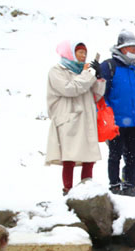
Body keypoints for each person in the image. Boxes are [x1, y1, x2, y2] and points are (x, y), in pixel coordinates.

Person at [45, 40, 105, 196]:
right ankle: (68, 189)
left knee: (89, 155)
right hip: (68, 119)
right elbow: (69, 89)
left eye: (85, 53)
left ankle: (87, 188)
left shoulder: (83, 73)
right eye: (80, 52)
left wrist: (99, 77)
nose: (83, 56)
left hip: (86, 118)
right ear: (70, 54)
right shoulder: (57, 71)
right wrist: (86, 75)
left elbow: (97, 95)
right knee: (69, 155)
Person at [100, 30, 135, 197]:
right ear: (121, 48)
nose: (133, 52)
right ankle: (114, 184)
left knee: (134, 156)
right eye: (130, 48)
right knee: (115, 154)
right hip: (116, 120)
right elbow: (101, 94)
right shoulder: (108, 66)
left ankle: (130, 185)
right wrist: (107, 116)